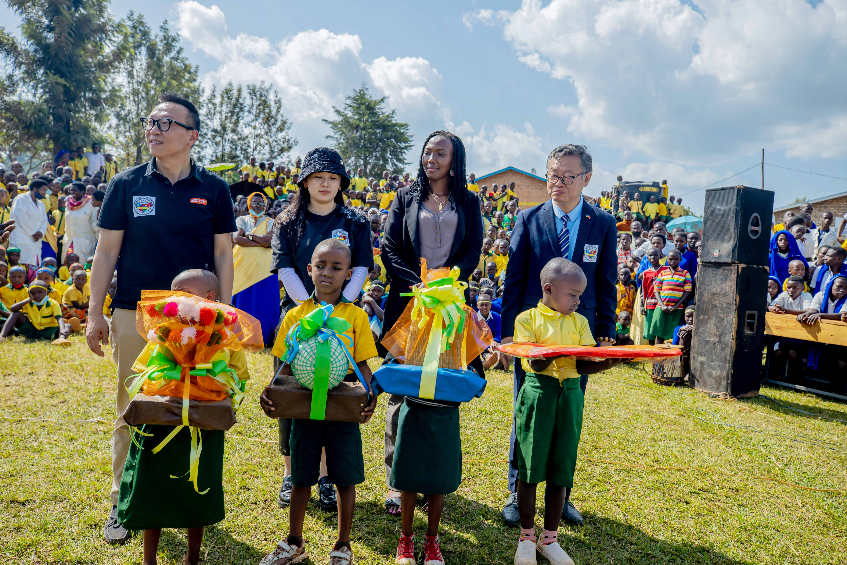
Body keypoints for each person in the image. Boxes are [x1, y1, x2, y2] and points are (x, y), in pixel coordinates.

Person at [85, 92, 236, 544]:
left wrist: (223, 314)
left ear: (192, 136)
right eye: (151, 120)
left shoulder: (213, 189)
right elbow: (106, 251)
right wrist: (96, 312)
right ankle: (122, 499)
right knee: (131, 407)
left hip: (197, 320)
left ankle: (185, 495)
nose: (154, 127)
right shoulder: (127, 185)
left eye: (166, 122)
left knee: (193, 402)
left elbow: (224, 254)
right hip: (137, 313)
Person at [501, 144, 617, 527]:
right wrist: (507, 340)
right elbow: (513, 280)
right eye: (553, 175)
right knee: (528, 412)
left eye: (568, 176)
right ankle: (518, 493)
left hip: (578, 338)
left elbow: (606, 282)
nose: (558, 183)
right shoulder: (528, 219)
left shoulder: (602, 223)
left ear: (586, 179)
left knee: (568, 413)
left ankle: (561, 493)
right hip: (534, 337)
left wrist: (604, 332)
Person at [379, 130, 484, 519]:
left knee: (441, 390)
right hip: (410, 303)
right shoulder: (404, 198)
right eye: (427, 152)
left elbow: (472, 250)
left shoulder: (469, 202)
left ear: (455, 160)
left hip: (451, 307)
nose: (431, 159)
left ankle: (431, 476)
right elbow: (389, 248)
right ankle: (396, 481)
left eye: (441, 153)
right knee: (401, 389)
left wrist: (448, 285)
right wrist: (418, 285)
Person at [117, 269, 249, 565]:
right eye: (174, 291)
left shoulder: (225, 337)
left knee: (196, 490)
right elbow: (142, 371)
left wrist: (214, 387)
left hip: (202, 426)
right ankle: (148, 559)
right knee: (151, 488)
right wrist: (170, 378)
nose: (175, 298)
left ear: (210, 298)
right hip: (159, 423)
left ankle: (192, 557)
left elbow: (238, 379)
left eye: (184, 292)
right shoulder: (163, 332)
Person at [259, 240, 377, 565]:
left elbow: (365, 363)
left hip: (342, 412)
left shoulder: (355, 317)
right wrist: (270, 390)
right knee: (301, 476)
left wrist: (371, 395)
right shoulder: (296, 315)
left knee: (344, 478)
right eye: (320, 266)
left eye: (336, 268)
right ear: (309, 270)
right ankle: (294, 542)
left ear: (349, 275)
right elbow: (283, 364)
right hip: (304, 410)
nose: (327, 273)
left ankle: (343, 546)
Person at [270, 148, 373, 512]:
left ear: (341, 183)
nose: (325, 184)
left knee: (333, 394)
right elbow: (284, 268)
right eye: (318, 177)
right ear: (306, 182)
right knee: (291, 395)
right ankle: (291, 472)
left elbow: (362, 266)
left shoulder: (356, 220)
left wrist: (339, 303)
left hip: (342, 318)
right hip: (298, 318)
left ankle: (327, 476)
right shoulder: (287, 221)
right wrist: (310, 306)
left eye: (332, 178)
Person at [512, 258, 620, 565]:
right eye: (572, 294)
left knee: (562, 467)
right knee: (531, 467)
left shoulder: (580, 323)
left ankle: (550, 538)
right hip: (538, 393)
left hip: (570, 395)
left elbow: (581, 364)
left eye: (580, 295)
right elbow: (534, 362)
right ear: (549, 289)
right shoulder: (528, 320)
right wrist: (558, 349)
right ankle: (527, 537)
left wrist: (606, 362)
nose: (578, 300)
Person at [231, 193, 278, 346]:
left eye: (261, 203)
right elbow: (237, 239)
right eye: (255, 203)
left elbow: (271, 241)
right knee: (244, 301)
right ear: (249, 204)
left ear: (266, 206)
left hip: (264, 270)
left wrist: (249, 236)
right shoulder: (241, 220)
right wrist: (261, 242)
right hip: (243, 268)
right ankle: (241, 338)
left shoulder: (271, 221)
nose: (257, 206)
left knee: (263, 302)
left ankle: (263, 337)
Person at [798, 275, 847, 393]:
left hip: (839, 338)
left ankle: (836, 388)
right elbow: (813, 309)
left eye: (846, 288)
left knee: (836, 358)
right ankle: (803, 381)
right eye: (839, 286)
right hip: (819, 335)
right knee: (801, 351)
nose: (842, 290)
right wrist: (807, 314)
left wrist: (820, 315)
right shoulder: (820, 295)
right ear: (831, 286)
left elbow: (842, 315)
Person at [0, 279, 70, 343]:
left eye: (40, 292)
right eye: (33, 293)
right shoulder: (29, 302)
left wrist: (62, 330)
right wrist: (28, 300)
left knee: (67, 326)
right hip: (33, 330)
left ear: (46, 292)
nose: (36, 295)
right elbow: (13, 309)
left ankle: (61, 339)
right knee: (16, 314)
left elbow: (59, 318)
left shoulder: (53, 304)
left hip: (50, 331)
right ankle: (2, 337)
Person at [646, 249, 692, 344]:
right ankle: (658, 355)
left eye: (676, 259)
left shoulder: (685, 273)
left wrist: (675, 306)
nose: (673, 261)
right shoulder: (662, 273)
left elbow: (687, 291)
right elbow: (656, 290)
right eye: (670, 259)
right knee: (659, 332)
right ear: (667, 259)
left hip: (677, 308)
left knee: (671, 333)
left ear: (680, 260)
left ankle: (668, 357)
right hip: (661, 307)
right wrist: (662, 305)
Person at [9, 179, 48, 269]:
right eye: (43, 190)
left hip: (36, 242)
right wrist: (33, 232)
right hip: (21, 240)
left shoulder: (41, 204)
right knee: (20, 270)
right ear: (35, 189)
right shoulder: (21, 198)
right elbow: (21, 216)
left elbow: (44, 221)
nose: (45, 193)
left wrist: (40, 233)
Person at [61, 182, 98, 264]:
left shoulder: (91, 203)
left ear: (82, 191)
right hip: (69, 241)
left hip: (84, 242)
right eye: (71, 191)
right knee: (66, 269)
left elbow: (95, 225)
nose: (72, 193)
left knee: (82, 270)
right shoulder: (68, 203)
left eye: (75, 190)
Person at [62, 269, 90, 333]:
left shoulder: (86, 287)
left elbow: (88, 298)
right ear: (73, 280)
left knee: (92, 312)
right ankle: (75, 322)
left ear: (86, 281)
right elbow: (76, 305)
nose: (80, 281)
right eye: (77, 279)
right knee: (86, 313)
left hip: (80, 307)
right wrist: (90, 304)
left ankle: (75, 323)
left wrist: (90, 304)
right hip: (68, 308)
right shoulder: (71, 290)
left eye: (83, 280)